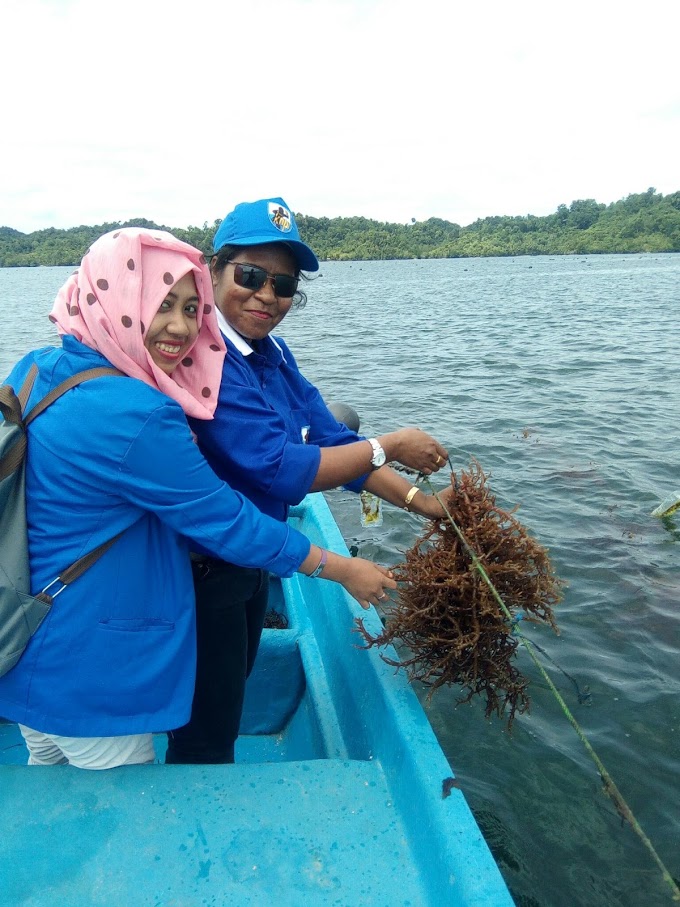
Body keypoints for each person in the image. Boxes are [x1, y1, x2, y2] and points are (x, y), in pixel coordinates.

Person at [0, 227, 395, 770]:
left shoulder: (37, 369)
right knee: (123, 820)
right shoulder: (136, 414)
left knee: (52, 784)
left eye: (192, 308)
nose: (182, 329)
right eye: (161, 305)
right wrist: (338, 566)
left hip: (22, 640)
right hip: (88, 673)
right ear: (115, 299)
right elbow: (226, 521)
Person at [166, 197, 455, 765]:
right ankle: (198, 803)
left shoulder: (271, 353)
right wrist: (392, 444)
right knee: (207, 720)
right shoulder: (205, 358)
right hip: (203, 573)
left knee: (235, 682)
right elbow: (282, 467)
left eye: (284, 286)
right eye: (250, 276)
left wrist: (424, 503)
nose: (267, 296)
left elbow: (331, 439)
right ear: (212, 270)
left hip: (257, 558)